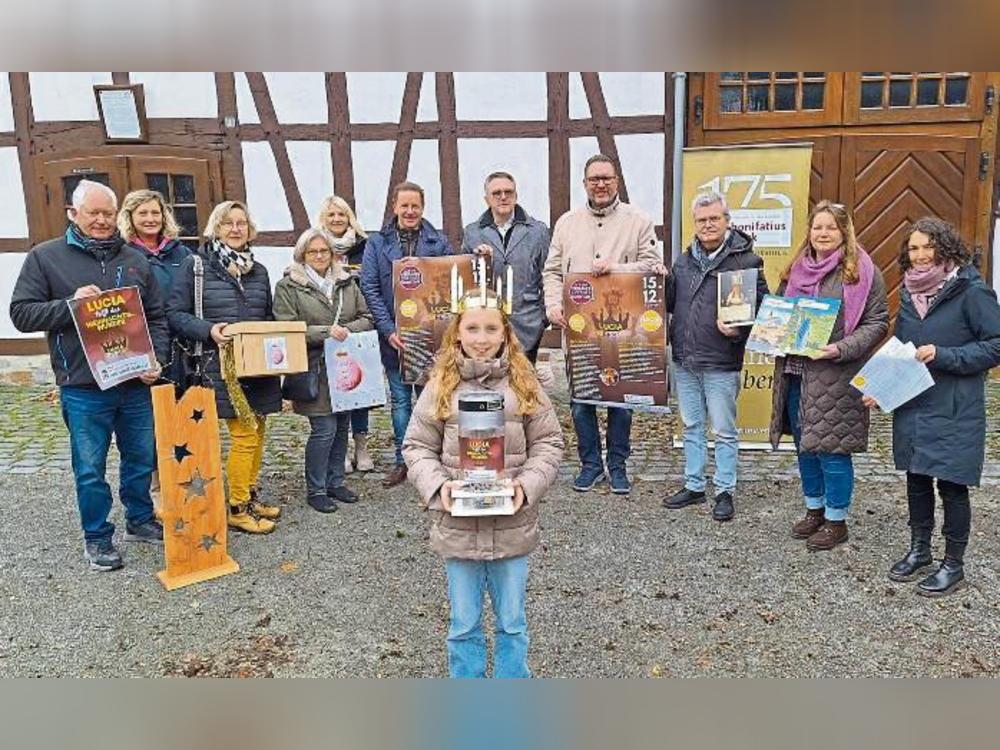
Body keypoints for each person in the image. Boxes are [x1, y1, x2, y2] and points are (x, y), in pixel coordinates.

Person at [402, 289, 563, 678]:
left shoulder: (524, 384)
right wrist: (440, 487)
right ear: (457, 333)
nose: (481, 338)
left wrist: (527, 485)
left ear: (505, 334)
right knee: (463, 624)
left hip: (512, 525)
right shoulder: (440, 385)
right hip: (457, 526)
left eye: (491, 328)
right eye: (472, 328)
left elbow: (549, 442)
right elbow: (416, 446)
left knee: (512, 622)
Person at [9, 179, 168, 571]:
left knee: (140, 459)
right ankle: (97, 537)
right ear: (73, 214)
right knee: (90, 467)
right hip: (84, 387)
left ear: (118, 215)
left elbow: (157, 318)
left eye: (108, 213)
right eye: (93, 213)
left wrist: (156, 359)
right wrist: (71, 305)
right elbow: (22, 313)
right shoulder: (45, 257)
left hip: (134, 381)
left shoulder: (135, 259)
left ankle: (140, 519)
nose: (101, 220)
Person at [864, 218, 1000, 596]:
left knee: (953, 485)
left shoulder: (971, 291)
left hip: (955, 405)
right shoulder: (909, 294)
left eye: (928, 247)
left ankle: (953, 563)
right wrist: (881, 388)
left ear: (945, 249)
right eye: (913, 249)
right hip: (914, 401)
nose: (921, 256)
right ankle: (919, 550)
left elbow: (996, 344)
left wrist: (945, 355)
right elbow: (902, 349)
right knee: (917, 478)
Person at [769, 200, 889, 550]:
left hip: (836, 374)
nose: (823, 233)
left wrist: (841, 348)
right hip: (795, 372)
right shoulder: (795, 269)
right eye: (817, 227)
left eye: (830, 228)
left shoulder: (861, 270)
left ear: (844, 232)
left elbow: (877, 322)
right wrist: (770, 332)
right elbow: (779, 313)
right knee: (805, 447)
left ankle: (837, 521)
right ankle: (814, 510)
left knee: (833, 450)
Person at [542, 154, 661, 494]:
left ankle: (618, 464)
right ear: (585, 184)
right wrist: (553, 304)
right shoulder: (567, 222)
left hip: (622, 331)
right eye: (594, 179)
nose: (600, 184)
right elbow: (552, 271)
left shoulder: (638, 221)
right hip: (580, 331)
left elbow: (653, 267)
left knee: (620, 401)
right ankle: (590, 463)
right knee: (582, 401)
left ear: (616, 181)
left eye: (606, 178)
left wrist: (617, 269)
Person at [167, 200, 282, 534]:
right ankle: (237, 507)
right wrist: (209, 330)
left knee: (259, 431)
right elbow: (175, 314)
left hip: (257, 366)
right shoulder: (196, 267)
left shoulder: (258, 270)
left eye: (241, 223)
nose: (235, 229)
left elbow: (267, 316)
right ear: (215, 228)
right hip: (221, 366)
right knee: (244, 434)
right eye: (228, 223)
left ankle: (249, 492)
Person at [663, 191, 768, 521]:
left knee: (724, 429)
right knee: (691, 426)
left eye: (714, 219)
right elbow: (670, 303)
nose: (707, 225)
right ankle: (694, 485)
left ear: (727, 221)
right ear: (694, 223)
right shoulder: (683, 260)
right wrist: (660, 279)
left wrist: (738, 331)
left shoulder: (746, 262)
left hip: (721, 361)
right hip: (685, 358)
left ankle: (725, 489)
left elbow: (765, 313)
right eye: (702, 220)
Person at [360, 180, 456, 488]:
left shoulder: (438, 242)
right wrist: (388, 331)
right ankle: (404, 461)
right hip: (395, 339)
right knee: (401, 402)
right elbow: (370, 287)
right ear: (395, 207)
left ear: (422, 207)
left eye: (415, 205)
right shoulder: (377, 243)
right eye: (405, 205)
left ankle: (432, 459)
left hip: (431, 340)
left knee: (431, 401)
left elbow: (451, 285)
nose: (410, 211)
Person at [274, 227, 374, 513]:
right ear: (302, 255)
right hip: (313, 368)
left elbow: (367, 317)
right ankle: (316, 489)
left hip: (345, 366)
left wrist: (345, 330)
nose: (319, 256)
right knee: (324, 429)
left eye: (324, 251)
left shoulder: (346, 282)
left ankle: (336, 482)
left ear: (332, 254)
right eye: (313, 251)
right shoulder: (289, 286)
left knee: (342, 426)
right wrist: (325, 332)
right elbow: (287, 326)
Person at [461, 171, 551, 363]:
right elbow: (466, 281)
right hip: (487, 327)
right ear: (487, 199)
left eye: (508, 192)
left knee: (524, 386)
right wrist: (479, 261)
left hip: (528, 323)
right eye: (496, 193)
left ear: (516, 196)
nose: (503, 197)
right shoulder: (472, 232)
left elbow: (548, 274)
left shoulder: (538, 231)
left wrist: (543, 318)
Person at [315, 194, 375, 475]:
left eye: (342, 214)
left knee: (360, 391)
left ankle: (361, 445)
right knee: (337, 391)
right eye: (332, 215)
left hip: (358, 327)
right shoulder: (316, 246)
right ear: (323, 220)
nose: (337, 219)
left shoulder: (364, 246)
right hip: (329, 333)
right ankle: (342, 450)